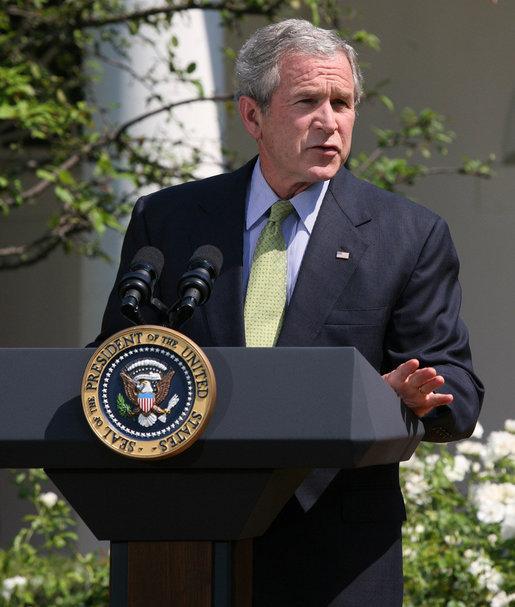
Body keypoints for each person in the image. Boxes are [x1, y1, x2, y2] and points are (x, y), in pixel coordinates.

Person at [94, 19, 484, 606]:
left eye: (343, 102)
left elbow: (457, 388)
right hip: (184, 538)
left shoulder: (410, 235)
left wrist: (401, 398)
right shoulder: (168, 222)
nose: (330, 122)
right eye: (307, 102)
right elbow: (116, 364)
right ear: (253, 116)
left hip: (338, 553)